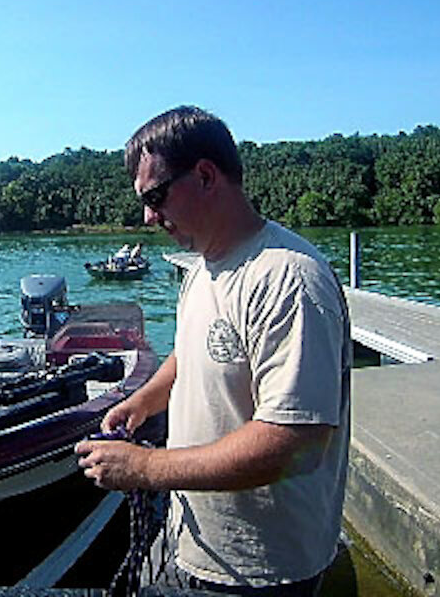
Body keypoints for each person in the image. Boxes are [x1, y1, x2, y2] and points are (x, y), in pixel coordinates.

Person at [75, 106, 351, 595]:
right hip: (185, 542)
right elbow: (192, 353)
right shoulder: (201, 267)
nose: (148, 216)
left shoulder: (289, 279)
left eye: (156, 196)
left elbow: (296, 442)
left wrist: (143, 469)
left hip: (258, 572)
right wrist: (145, 400)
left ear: (205, 175)